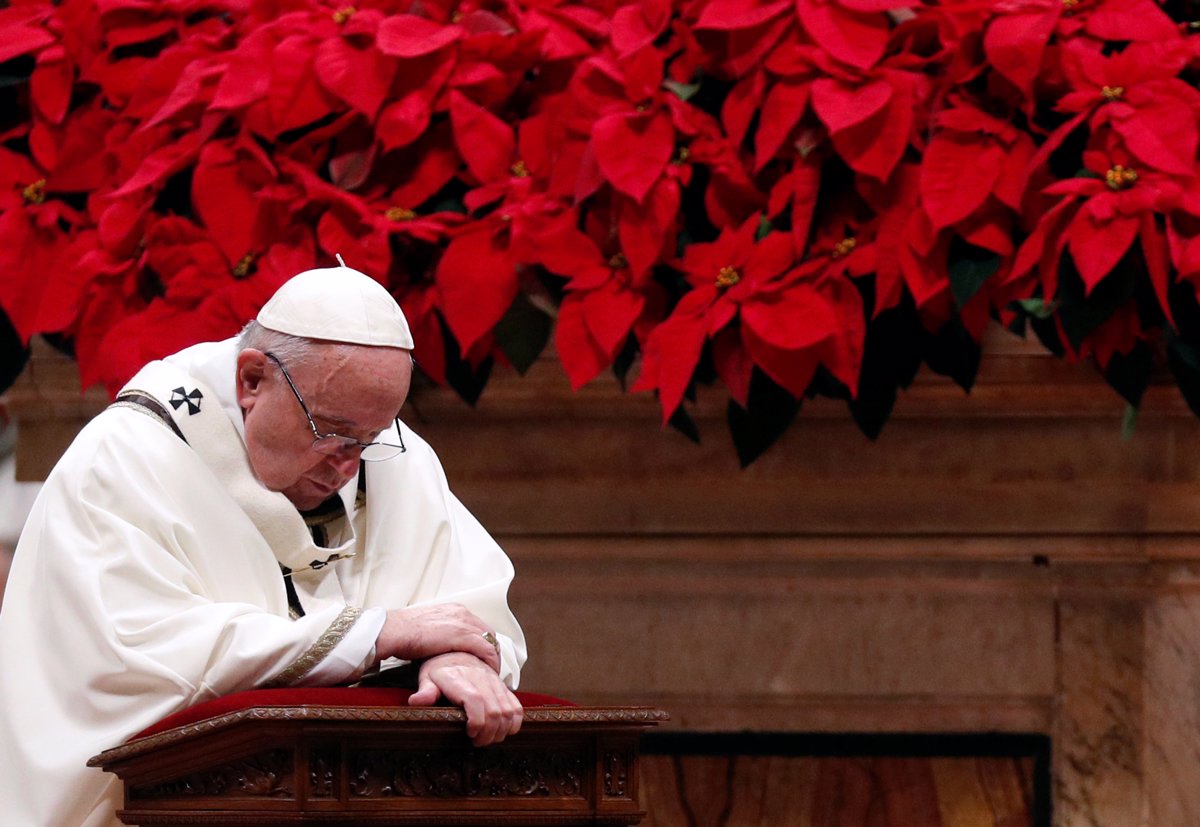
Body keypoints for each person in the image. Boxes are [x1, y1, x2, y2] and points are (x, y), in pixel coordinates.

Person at [0, 263, 527, 827]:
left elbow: (471, 609)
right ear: (252, 382)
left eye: (369, 440)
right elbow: (136, 654)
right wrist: (381, 633)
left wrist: (452, 654)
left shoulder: (394, 457)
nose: (349, 465)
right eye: (329, 431)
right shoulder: (124, 460)